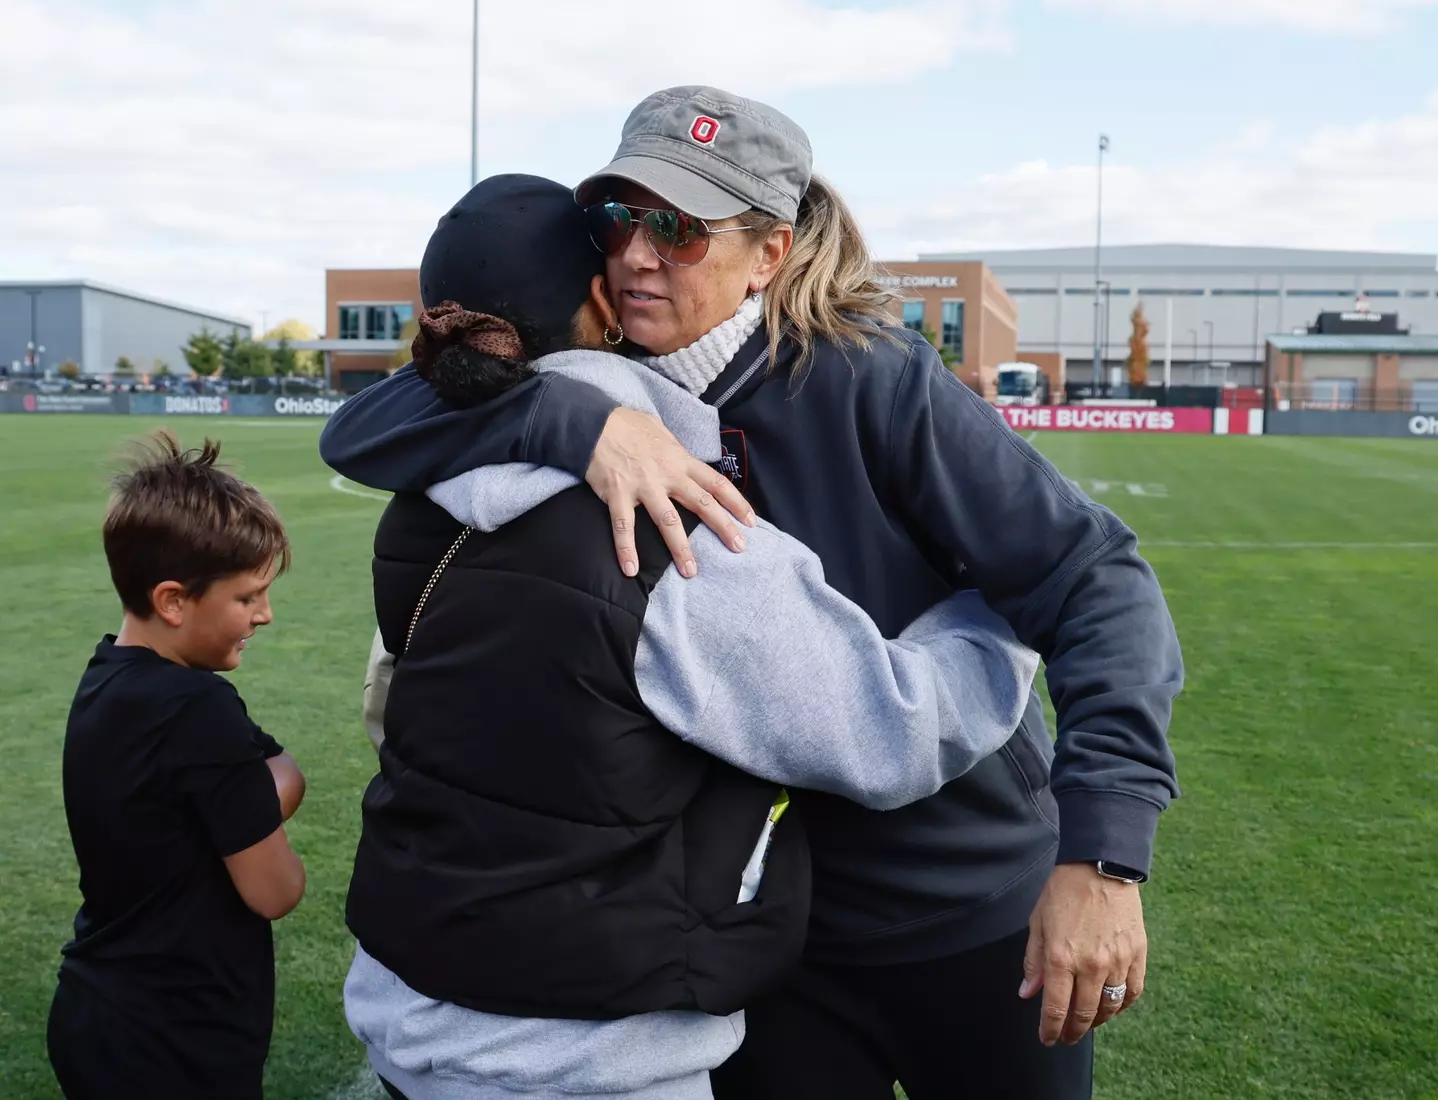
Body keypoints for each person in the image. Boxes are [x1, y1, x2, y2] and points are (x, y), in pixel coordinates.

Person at [320, 87, 1183, 1099]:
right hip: (767, 946)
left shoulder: (872, 380)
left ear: (769, 253)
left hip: (966, 909)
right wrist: (578, 424)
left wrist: (1104, 857)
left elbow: (1099, 580)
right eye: (618, 217)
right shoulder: (584, 377)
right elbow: (366, 424)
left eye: (680, 228)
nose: (640, 252)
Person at [48, 432, 307, 1100]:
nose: (266, 615)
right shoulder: (198, 709)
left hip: (102, 1012)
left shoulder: (108, 675)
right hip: (171, 1039)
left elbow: (271, 773)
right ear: (172, 600)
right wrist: (241, 814)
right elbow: (276, 890)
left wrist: (231, 815)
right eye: (248, 597)